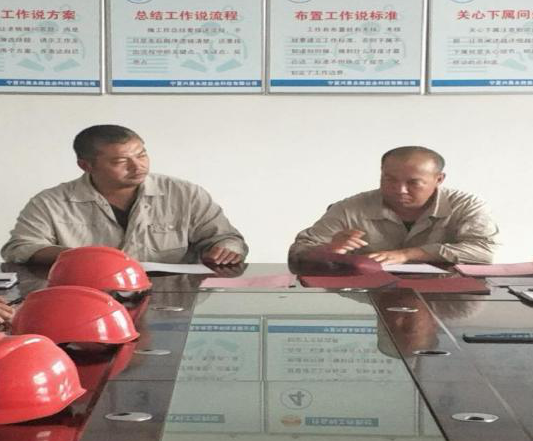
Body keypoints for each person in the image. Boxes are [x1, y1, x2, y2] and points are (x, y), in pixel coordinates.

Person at [1, 125, 248, 265]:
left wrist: (226, 248)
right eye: (121, 161)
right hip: (86, 296)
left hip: (171, 297)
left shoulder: (185, 194)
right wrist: (82, 258)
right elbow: (20, 248)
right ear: (86, 165)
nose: (137, 166)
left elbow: (226, 237)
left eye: (141, 155)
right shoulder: (50, 203)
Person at [289, 146, 499, 265]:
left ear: (439, 179)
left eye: (413, 183)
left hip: (447, 296)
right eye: (390, 180)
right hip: (370, 296)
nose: (400, 190)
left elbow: (484, 252)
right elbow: (297, 254)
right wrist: (328, 249)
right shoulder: (351, 208)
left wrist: (409, 254)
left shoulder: (466, 205)